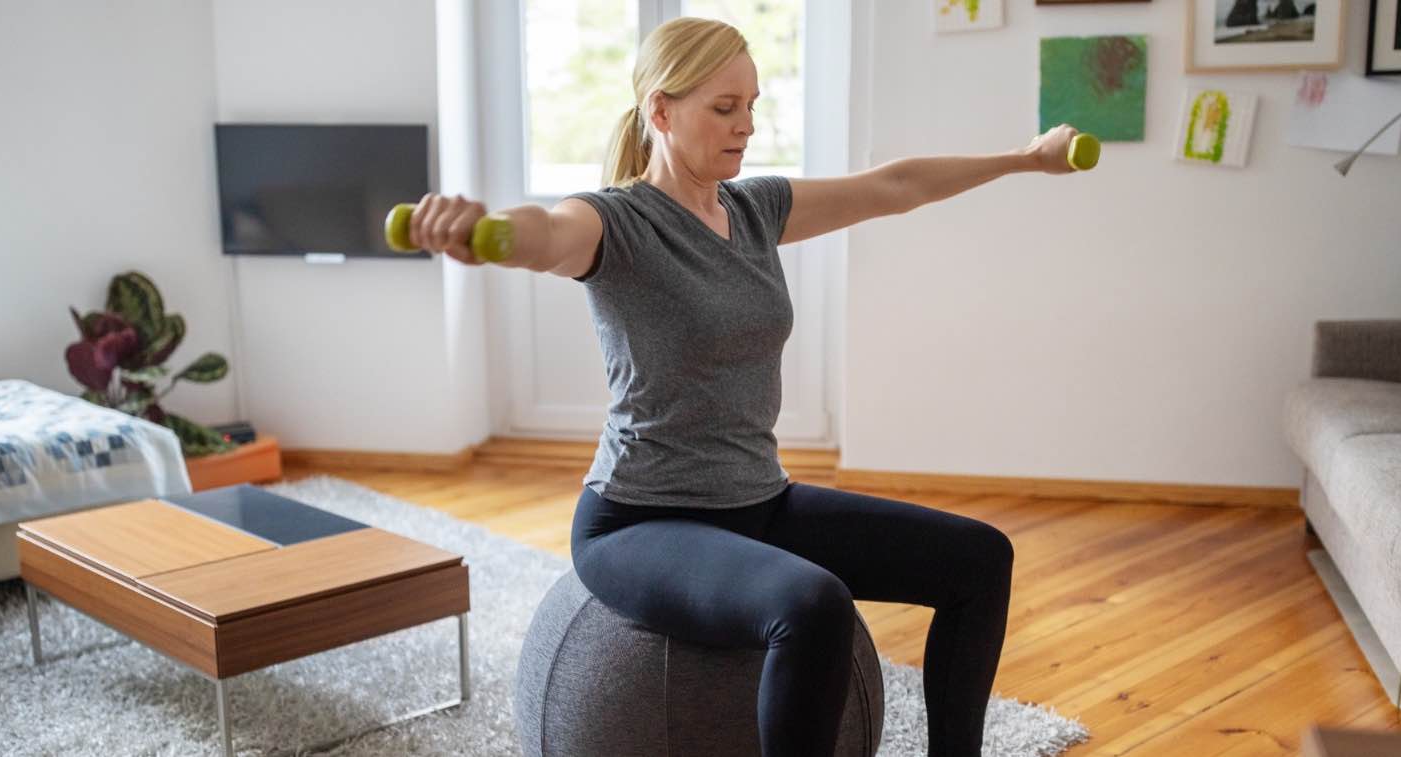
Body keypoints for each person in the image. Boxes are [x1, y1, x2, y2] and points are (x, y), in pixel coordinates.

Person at [407, 16, 1082, 757]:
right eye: (724, 108)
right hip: (638, 520)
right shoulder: (615, 222)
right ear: (660, 111)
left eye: (752, 105)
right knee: (810, 602)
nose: (746, 126)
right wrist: (479, 231)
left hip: (757, 500)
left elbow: (895, 185)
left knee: (979, 558)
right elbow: (542, 233)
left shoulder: (754, 210)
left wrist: (1024, 159)